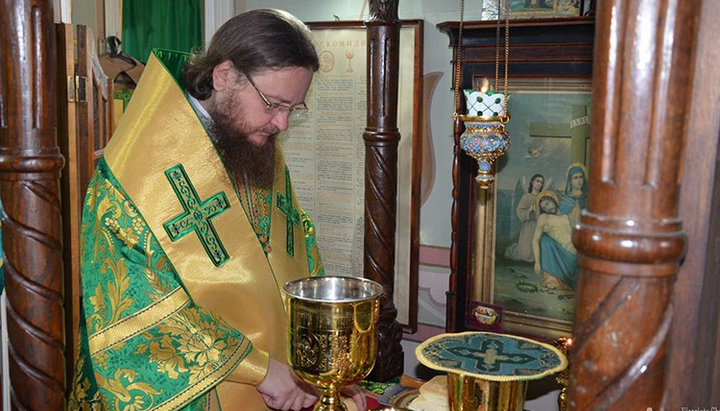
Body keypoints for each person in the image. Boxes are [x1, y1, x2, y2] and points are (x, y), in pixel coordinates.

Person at [68, 9, 365, 411]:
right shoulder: (132, 175)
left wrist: (321, 372)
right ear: (224, 75)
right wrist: (259, 369)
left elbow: (296, 248)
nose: (282, 124)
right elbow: (139, 316)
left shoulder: (251, 140)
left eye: (293, 109)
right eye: (274, 103)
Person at [532, 191, 578, 290]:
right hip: (565, 252)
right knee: (544, 240)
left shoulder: (565, 215)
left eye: (547, 204)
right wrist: (537, 262)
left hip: (575, 250)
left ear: (553, 199)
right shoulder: (544, 217)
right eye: (544, 207)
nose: (547, 208)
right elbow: (535, 240)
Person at [505, 173, 544, 262]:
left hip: (539, 225)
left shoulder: (542, 198)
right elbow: (519, 211)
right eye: (537, 181)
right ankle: (512, 250)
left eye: (541, 182)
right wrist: (529, 212)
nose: (539, 184)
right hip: (528, 226)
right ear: (532, 182)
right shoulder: (526, 197)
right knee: (525, 255)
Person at [559, 162, 588, 228]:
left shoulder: (587, 198)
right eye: (575, 177)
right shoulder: (566, 199)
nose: (579, 180)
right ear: (570, 181)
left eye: (581, 177)